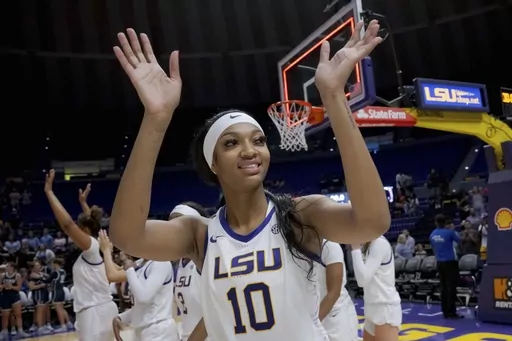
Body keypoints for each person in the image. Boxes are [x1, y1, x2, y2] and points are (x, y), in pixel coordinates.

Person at [109, 22, 389, 341]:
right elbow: (126, 235)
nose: (249, 151)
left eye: (258, 140)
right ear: (212, 163)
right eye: (230, 143)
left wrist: (335, 99)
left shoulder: (299, 216)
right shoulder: (199, 235)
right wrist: (156, 119)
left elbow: (372, 222)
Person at [44, 169, 118, 340]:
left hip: (96, 313)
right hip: (98, 310)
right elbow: (92, 223)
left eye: (80, 230)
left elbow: (68, 225)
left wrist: (49, 192)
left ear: (84, 231)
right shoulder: (97, 244)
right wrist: (84, 204)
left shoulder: (92, 246)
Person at [99, 231, 179, 341]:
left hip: (159, 332)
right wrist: (121, 318)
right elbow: (143, 307)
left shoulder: (160, 263)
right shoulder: (141, 264)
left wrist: (129, 269)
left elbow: (144, 298)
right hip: (143, 332)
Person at [170, 204, 209, 341]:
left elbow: (215, 311)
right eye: (171, 225)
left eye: (179, 224)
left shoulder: (205, 260)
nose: (172, 230)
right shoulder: (180, 263)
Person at [351, 237, 401, 341]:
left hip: (385, 308)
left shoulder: (379, 243)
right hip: (371, 306)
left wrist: (355, 249)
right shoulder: (368, 244)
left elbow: (362, 280)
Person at [317, 241, 358, 341]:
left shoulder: (329, 246)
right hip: (318, 312)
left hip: (336, 316)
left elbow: (334, 293)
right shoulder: (302, 245)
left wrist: (313, 322)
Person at [429, 214, 461, 319]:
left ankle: (445, 311)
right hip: (450, 262)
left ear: (436, 222)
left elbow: (433, 248)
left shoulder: (432, 234)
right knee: (451, 287)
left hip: (440, 262)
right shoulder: (449, 233)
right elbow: (460, 241)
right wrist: (452, 230)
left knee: (443, 287)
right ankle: (452, 311)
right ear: (445, 222)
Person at [0, 262, 29, 339]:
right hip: (5, 296)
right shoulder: (2, 275)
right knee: (5, 316)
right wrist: (3, 286)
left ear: (12, 267)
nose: (6, 267)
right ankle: (4, 332)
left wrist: (11, 286)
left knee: (18, 315)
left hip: (15, 296)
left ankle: (20, 331)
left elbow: (19, 288)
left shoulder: (17, 276)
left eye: (7, 266)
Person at [48, 258, 73, 332]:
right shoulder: (63, 271)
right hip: (62, 290)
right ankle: (68, 323)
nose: (51, 266)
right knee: (62, 308)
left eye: (52, 264)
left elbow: (47, 280)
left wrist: (41, 277)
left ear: (55, 264)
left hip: (56, 291)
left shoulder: (55, 273)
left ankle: (63, 325)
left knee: (58, 310)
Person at [28, 260, 51, 336]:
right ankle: (39, 327)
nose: (39, 267)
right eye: (37, 266)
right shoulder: (32, 275)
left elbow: (48, 278)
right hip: (38, 294)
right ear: (33, 268)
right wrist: (40, 286)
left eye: (39, 265)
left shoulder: (42, 274)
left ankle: (43, 325)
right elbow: (31, 287)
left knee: (44, 311)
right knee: (39, 311)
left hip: (45, 293)